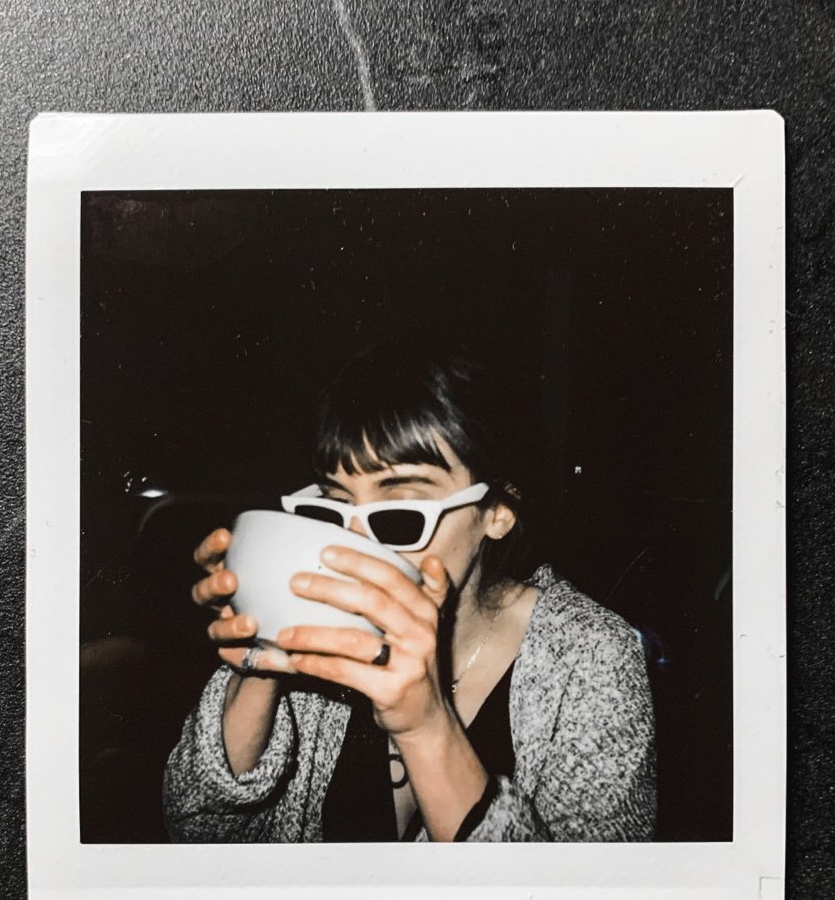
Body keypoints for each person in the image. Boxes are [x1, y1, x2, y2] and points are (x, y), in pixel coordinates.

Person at [162, 338, 656, 843]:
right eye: (334, 506)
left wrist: (425, 727)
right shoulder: (317, 625)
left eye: (400, 514)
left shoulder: (591, 656)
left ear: (497, 512)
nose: (355, 541)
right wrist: (262, 654)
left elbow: (580, 892)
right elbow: (200, 834)